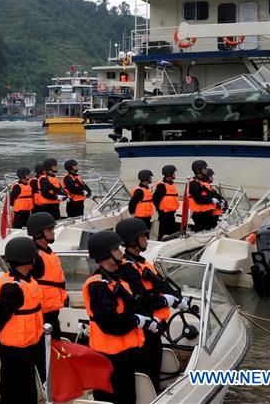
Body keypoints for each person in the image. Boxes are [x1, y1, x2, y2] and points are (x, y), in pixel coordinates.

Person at [116, 218, 192, 392]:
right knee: (148, 368)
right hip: (145, 329)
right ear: (132, 240)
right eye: (143, 236)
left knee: (154, 364)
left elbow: (160, 285)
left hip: (155, 326)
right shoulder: (128, 269)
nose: (146, 240)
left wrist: (178, 300)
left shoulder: (141, 263)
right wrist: (167, 301)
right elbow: (141, 299)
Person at [83, 230, 154, 404]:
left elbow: (129, 307)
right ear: (106, 254)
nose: (121, 253)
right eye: (116, 250)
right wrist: (136, 321)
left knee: (128, 397)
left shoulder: (114, 280)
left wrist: (146, 320)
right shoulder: (98, 286)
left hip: (123, 353)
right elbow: (111, 324)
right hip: (110, 356)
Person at [0, 237, 45, 404]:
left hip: (30, 347)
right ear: (27, 260)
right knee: (16, 391)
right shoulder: (13, 289)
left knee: (29, 389)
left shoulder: (27, 280)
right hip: (15, 352)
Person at [27, 212, 67, 340]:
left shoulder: (48, 252)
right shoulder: (34, 257)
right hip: (41, 314)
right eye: (49, 229)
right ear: (38, 233)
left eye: (52, 229)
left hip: (53, 311)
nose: (53, 232)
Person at [187, 160, 217, 232]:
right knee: (201, 234)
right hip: (199, 215)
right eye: (204, 168)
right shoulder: (193, 183)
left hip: (207, 212)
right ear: (198, 170)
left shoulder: (202, 182)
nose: (206, 170)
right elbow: (198, 199)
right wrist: (211, 200)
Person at [152, 165, 179, 239]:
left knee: (171, 230)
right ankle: (160, 242)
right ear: (169, 174)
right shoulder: (162, 186)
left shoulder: (170, 184)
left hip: (171, 212)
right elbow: (155, 198)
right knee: (163, 231)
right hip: (164, 213)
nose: (174, 175)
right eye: (173, 173)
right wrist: (159, 209)